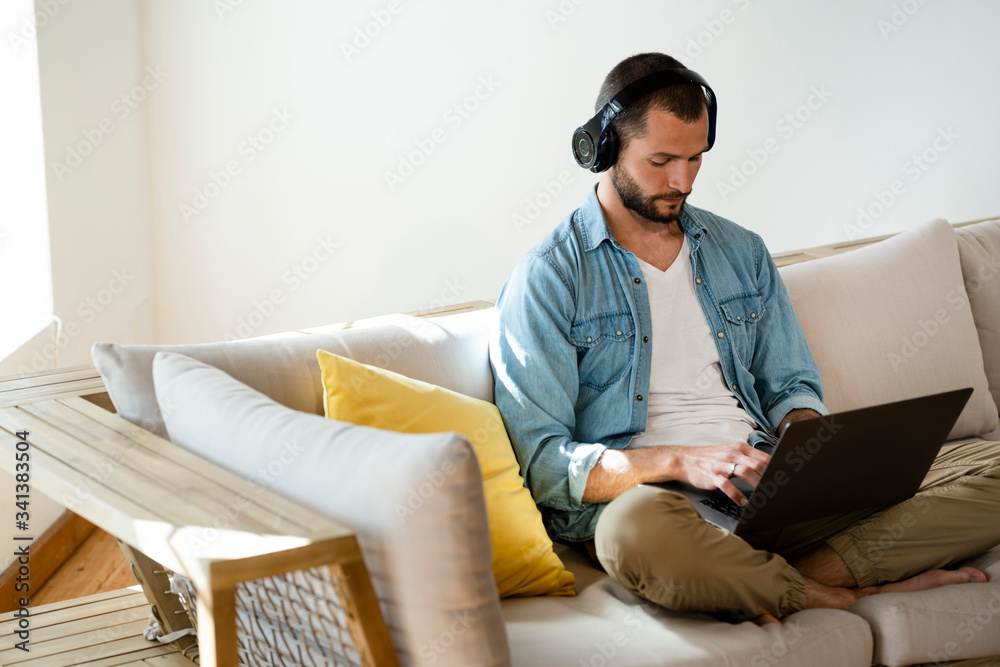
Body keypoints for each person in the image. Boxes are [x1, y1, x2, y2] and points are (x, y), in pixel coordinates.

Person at [489, 52, 999, 623]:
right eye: (660, 160)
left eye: (695, 159)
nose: (681, 181)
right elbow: (544, 465)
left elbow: (790, 383)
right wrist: (680, 460)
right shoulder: (550, 277)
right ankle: (844, 593)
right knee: (634, 539)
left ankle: (778, 578)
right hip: (657, 506)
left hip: (766, 491)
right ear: (604, 149)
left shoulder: (741, 250)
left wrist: (805, 449)